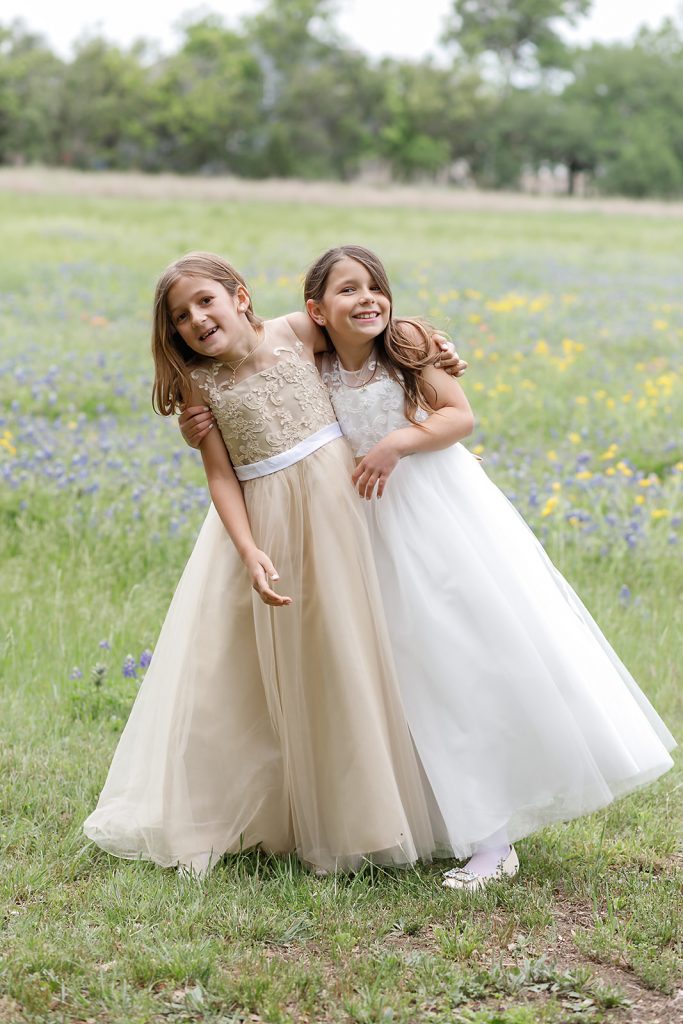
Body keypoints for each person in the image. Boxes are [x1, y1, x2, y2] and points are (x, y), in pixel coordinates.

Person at [185, 244, 676, 889]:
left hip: (433, 517)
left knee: (457, 660)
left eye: (375, 287)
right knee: (406, 677)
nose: (366, 300)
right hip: (364, 526)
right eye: (347, 290)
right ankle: (445, 816)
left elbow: (459, 416)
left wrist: (397, 438)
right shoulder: (315, 354)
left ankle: (494, 838)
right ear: (316, 312)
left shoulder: (406, 342)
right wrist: (204, 420)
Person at [84, 251, 467, 878]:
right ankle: (277, 806)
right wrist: (247, 547)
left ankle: (375, 806)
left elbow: (361, 326)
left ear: (238, 295)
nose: (196, 320)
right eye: (180, 317)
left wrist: (433, 343)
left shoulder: (294, 330)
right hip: (268, 522)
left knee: (350, 646)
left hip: (339, 506)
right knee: (270, 664)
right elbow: (221, 477)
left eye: (205, 301)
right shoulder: (198, 387)